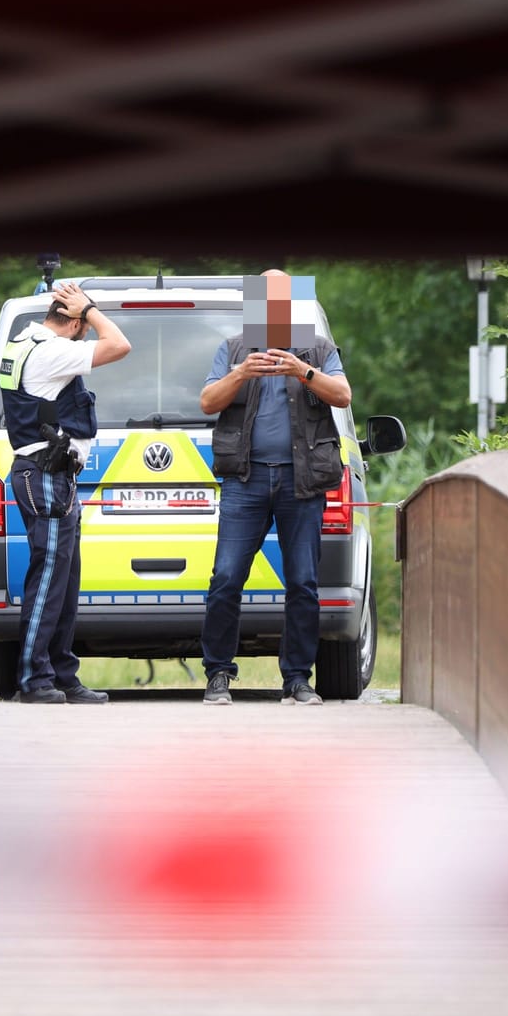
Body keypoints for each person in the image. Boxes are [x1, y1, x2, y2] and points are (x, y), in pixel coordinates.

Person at [197, 271, 352, 705]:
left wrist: (303, 371)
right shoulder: (232, 349)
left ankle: (298, 680)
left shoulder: (317, 348)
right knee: (226, 578)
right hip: (245, 481)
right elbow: (208, 402)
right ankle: (218, 675)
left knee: (303, 581)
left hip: (301, 483)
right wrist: (242, 372)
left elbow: (342, 395)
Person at [0, 279, 132, 704]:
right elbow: (120, 345)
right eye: (84, 326)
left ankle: (60, 674)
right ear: (73, 323)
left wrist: (77, 307)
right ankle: (34, 680)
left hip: (48, 474)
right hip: (45, 475)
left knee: (63, 580)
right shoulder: (52, 351)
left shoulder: (23, 341)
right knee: (50, 579)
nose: (89, 333)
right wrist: (89, 308)